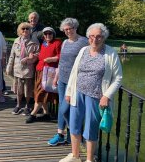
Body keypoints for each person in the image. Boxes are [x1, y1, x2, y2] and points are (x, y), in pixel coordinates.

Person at [59, 23, 122, 162]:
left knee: (90, 128)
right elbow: (74, 72)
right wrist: (69, 92)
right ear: (88, 37)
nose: (95, 39)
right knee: (74, 124)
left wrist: (107, 95)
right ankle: (75, 156)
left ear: (104, 37)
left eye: (98, 36)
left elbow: (118, 77)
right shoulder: (83, 50)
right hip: (78, 93)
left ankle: (89, 159)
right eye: (92, 36)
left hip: (96, 96)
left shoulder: (110, 53)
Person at [48, 18, 88, 146]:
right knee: (62, 107)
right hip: (62, 80)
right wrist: (56, 76)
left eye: (70, 28)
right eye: (65, 29)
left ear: (75, 27)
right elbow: (62, 61)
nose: (68, 31)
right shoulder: (65, 42)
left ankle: (72, 133)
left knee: (67, 108)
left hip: (75, 81)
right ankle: (60, 134)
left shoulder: (83, 42)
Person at [26, 27, 62, 123]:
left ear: (53, 34)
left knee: (41, 92)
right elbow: (42, 55)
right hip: (40, 70)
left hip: (49, 71)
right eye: (45, 34)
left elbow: (61, 56)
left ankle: (33, 114)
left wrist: (52, 59)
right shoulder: (44, 44)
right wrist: (35, 56)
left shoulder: (57, 43)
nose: (47, 35)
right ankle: (46, 114)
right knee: (40, 92)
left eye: (50, 33)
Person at [6, 22, 39, 115]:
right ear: (20, 31)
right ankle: (18, 105)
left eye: (27, 29)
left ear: (30, 30)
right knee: (18, 89)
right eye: (23, 29)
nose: (25, 30)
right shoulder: (16, 41)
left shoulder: (34, 41)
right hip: (17, 67)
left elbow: (38, 54)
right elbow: (12, 55)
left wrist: (30, 58)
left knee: (28, 89)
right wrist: (9, 67)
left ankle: (27, 106)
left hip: (28, 68)